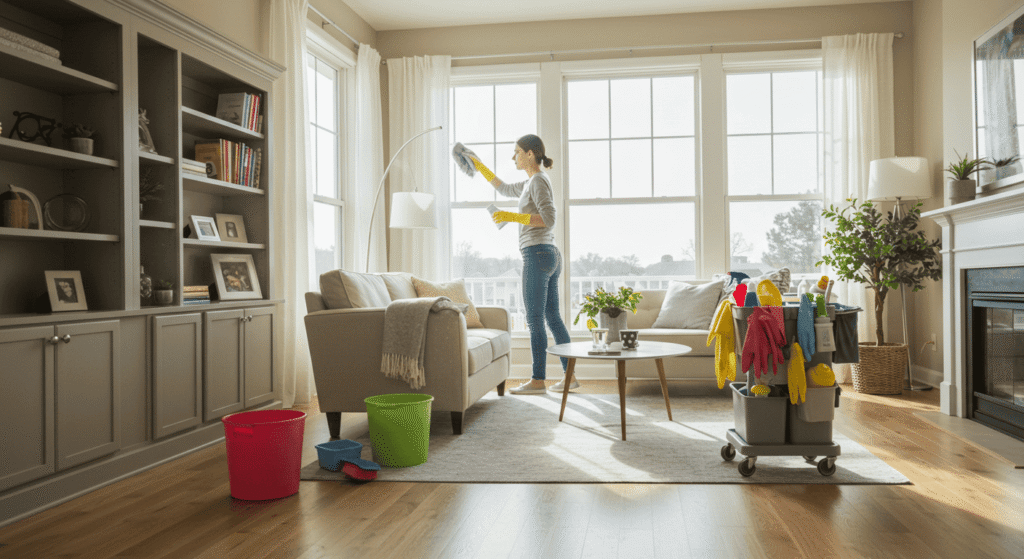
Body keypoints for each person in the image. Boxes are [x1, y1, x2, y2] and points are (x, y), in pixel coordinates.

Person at [473, 134, 575, 394]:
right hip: (549, 254)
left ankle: (538, 380)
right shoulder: (533, 181)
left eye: (517, 152)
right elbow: (505, 188)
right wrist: (480, 166)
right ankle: (570, 377)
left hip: (537, 254)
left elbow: (549, 219)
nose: (513, 157)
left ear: (531, 154)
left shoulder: (538, 180)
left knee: (534, 318)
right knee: (552, 317)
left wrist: (509, 216)